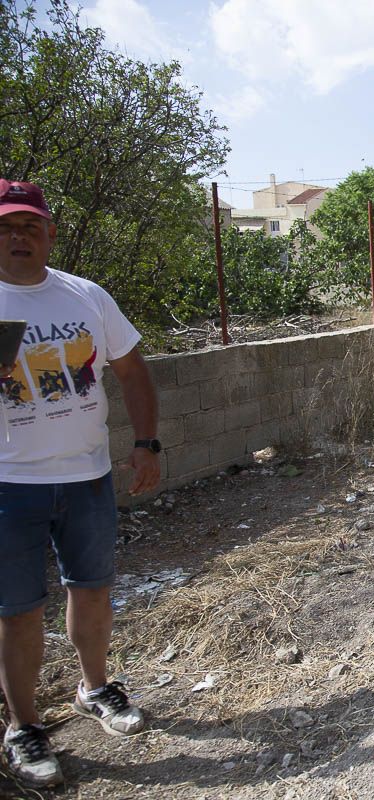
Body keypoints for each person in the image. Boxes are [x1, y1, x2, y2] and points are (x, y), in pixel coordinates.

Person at [0, 180, 161, 788]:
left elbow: (131, 368)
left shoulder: (85, 295)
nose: (19, 237)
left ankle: (94, 689)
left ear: (49, 233)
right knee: (18, 611)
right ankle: (23, 726)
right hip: (9, 482)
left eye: (29, 226)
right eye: (7, 227)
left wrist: (146, 443)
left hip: (87, 476)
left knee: (91, 590)